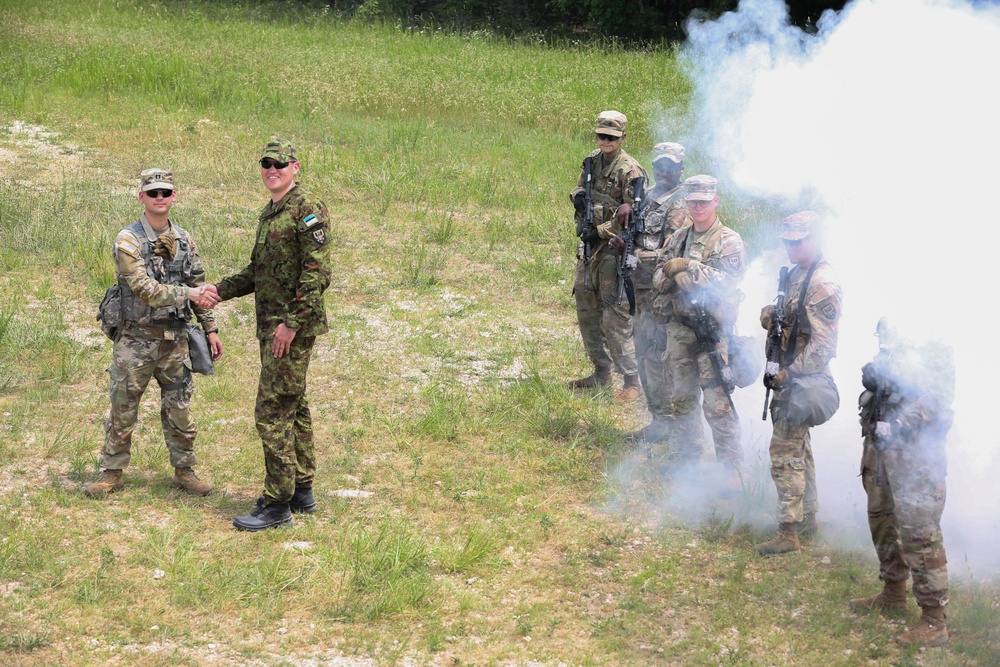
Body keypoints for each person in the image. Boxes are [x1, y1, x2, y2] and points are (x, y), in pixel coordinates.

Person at [208, 138, 332, 532]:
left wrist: (291, 324)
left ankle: (277, 505)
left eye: (279, 163)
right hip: (273, 326)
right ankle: (301, 492)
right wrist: (218, 292)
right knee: (293, 404)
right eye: (266, 163)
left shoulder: (307, 209)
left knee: (272, 411)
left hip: (290, 329)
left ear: (295, 166)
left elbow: (318, 273)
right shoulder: (272, 212)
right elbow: (258, 272)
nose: (271, 169)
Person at [85, 168, 223, 497]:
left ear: (174, 196)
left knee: (180, 407)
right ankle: (112, 472)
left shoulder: (185, 240)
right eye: (153, 193)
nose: (159, 198)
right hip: (136, 340)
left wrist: (210, 328)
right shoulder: (128, 239)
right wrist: (189, 296)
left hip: (175, 339)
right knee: (123, 406)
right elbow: (145, 289)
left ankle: (185, 470)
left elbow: (197, 282)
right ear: (141, 197)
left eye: (165, 192)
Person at [850, 319, 954, 647]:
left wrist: (899, 423)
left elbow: (938, 397)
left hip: (916, 455)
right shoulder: (893, 330)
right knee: (881, 519)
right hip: (881, 446)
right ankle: (893, 593)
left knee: (920, 536)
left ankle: (934, 621)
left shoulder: (933, 338)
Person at [755, 211, 842, 556]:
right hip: (788, 374)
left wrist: (789, 373)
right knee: (799, 450)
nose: (791, 246)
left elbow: (824, 348)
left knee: (784, 452)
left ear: (816, 239)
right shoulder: (796, 274)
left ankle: (788, 531)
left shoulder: (822, 283)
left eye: (798, 240)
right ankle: (807, 520)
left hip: (802, 379)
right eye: (787, 241)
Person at [651, 175, 745, 472]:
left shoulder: (729, 241)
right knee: (682, 399)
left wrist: (688, 267)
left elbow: (728, 284)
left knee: (717, 405)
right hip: (680, 328)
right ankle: (687, 461)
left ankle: (731, 469)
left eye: (704, 201)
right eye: (693, 202)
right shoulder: (679, 237)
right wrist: (670, 274)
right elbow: (657, 274)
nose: (698, 207)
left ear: (715, 201)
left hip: (712, 332)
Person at [568, 110, 646, 402]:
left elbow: (633, 215)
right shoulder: (591, 162)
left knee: (614, 317)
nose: (605, 141)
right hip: (589, 250)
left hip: (614, 250)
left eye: (611, 137)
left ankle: (632, 380)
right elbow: (578, 188)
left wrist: (600, 231)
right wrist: (577, 197)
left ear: (623, 138)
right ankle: (601, 373)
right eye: (601, 136)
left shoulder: (631, 171)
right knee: (586, 309)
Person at [621, 142, 689, 443]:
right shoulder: (648, 196)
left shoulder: (681, 205)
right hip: (640, 288)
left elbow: (670, 253)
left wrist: (632, 252)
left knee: (659, 358)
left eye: (670, 167)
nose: (663, 172)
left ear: (680, 170)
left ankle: (673, 424)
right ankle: (658, 419)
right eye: (659, 165)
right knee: (643, 352)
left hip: (660, 293)